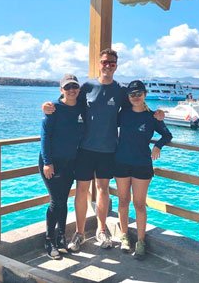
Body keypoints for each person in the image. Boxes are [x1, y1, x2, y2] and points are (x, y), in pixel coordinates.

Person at [42, 48, 164, 252]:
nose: (108, 65)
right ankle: (79, 233)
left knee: (103, 190)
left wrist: (156, 113)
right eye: (105, 62)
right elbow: (68, 101)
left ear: (116, 66)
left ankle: (101, 230)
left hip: (109, 150)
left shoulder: (120, 90)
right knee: (81, 191)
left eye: (112, 63)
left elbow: (137, 105)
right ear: (99, 63)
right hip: (85, 150)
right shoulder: (87, 86)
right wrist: (48, 106)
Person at [114, 80, 172, 260]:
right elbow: (104, 123)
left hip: (142, 164)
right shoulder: (122, 114)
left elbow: (167, 135)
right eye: (132, 94)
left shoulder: (151, 116)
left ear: (145, 94)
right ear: (128, 97)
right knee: (123, 201)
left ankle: (140, 241)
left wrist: (158, 146)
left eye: (139, 93)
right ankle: (124, 236)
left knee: (139, 204)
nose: (136, 97)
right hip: (121, 162)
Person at [39, 74, 84, 259]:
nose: (71, 90)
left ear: (79, 89)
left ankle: (61, 237)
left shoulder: (82, 108)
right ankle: (49, 240)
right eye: (67, 87)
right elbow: (44, 137)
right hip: (52, 163)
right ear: (61, 90)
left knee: (63, 201)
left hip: (70, 162)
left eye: (74, 86)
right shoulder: (53, 109)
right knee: (55, 201)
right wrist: (48, 163)